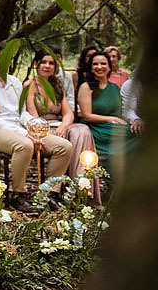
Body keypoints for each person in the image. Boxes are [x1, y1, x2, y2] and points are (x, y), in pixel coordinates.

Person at [0, 43, 72, 212]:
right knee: (25, 145)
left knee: (64, 147)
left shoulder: (15, 82)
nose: (0, 65)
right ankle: (17, 195)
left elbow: (22, 113)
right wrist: (25, 134)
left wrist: (34, 126)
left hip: (18, 128)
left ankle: (49, 194)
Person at [25, 48, 102, 206]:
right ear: (36, 64)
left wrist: (63, 127)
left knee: (82, 130)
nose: (47, 66)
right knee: (68, 138)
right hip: (39, 128)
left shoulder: (56, 85)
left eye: (51, 63)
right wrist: (50, 129)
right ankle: (53, 191)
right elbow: (32, 115)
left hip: (59, 125)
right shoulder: (30, 85)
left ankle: (81, 187)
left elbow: (68, 113)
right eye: (44, 62)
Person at [79, 49, 140, 190]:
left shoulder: (114, 87)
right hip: (94, 128)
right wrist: (112, 119)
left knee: (138, 135)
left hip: (112, 127)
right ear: (90, 67)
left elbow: (120, 112)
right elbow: (87, 115)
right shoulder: (86, 87)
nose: (99, 67)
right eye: (95, 64)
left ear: (109, 66)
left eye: (103, 63)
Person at [71, 46, 99, 110]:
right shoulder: (76, 74)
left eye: (94, 55)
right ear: (84, 58)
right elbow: (73, 96)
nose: (92, 58)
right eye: (89, 56)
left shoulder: (101, 74)